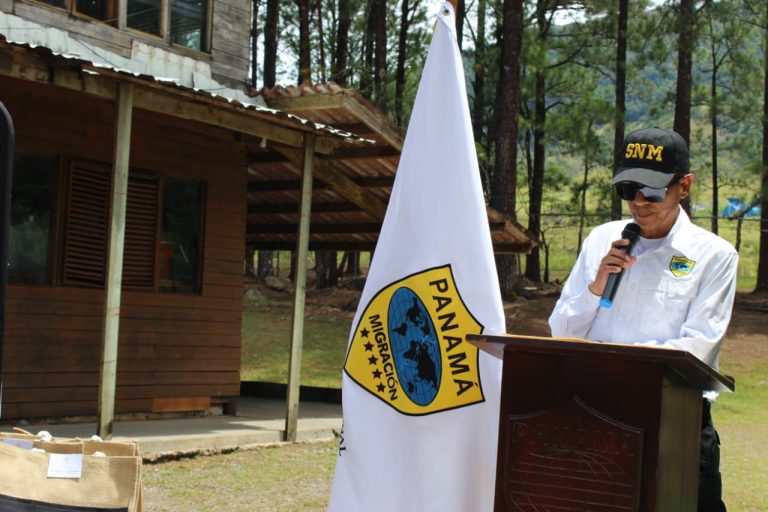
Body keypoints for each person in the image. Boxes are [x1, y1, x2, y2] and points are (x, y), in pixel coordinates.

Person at [548, 127, 738, 512]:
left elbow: (696, 349)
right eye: (628, 188)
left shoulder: (714, 256)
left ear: (684, 186)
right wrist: (595, 288)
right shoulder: (601, 239)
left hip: (675, 424)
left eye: (652, 191)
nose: (638, 202)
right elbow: (562, 332)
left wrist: (614, 363)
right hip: (594, 416)